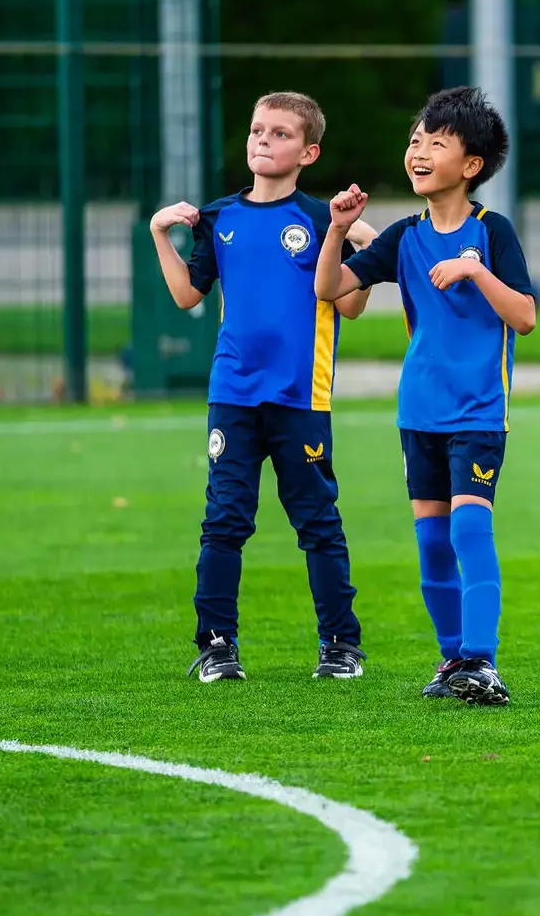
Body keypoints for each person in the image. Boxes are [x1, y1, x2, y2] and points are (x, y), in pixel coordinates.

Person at [313, 86, 534, 706]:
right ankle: (451, 660)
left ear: (471, 166)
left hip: (477, 413)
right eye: (416, 140)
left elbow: (524, 316)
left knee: (469, 532)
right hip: (420, 413)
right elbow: (330, 286)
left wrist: (475, 270)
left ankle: (481, 662)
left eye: (436, 142)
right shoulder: (404, 236)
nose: (419, 151)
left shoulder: (493, 232)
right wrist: (337, 230)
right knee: (432, 543)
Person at [149, 90, 377, 683]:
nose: (263, 141)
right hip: (232, 395)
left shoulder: (317, 220)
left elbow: (348, 307)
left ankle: (339, 645)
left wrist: (359, 239)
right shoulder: (219, 217)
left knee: (318, 521)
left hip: (302, 397)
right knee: (224, 519)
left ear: (309, 151)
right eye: (257, 131)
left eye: (279, 134)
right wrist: (159, 235)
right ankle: (216, 645)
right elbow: (185, 296)